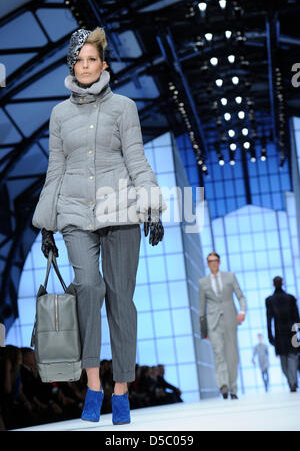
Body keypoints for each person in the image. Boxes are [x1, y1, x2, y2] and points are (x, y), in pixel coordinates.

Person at [31, 27, 167, 425]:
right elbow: (55, 169)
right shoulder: (59, 115)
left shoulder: (124, 108)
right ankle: (93, 383)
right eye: (80, 60)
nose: (86, 66)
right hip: (74, 212)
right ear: (72, 65)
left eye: (93, 60)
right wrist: (46, 223)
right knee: (87, 286)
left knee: (120, 298)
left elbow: (137, 160)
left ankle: (121, 388)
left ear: (104, 65)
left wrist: (152, 207)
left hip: (120, 209)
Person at [198, 252, 247, 400]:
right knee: (219, 354)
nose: (213, 263)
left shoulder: (230, 276)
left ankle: (233, 388)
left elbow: (240, 295)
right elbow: (201, 307)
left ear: (219, 262)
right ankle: (223, 385)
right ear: (207, 263)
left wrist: (242, 311)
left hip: (231, 320)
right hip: (213, 324)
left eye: (215, 260)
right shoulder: (203, 282)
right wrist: (203, 330)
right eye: (210, 261)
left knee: (232, 356)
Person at [265, 276, 300, 392]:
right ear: (283, 283)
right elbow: (297, 318)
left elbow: (269, 319)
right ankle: (293, 381)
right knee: (292, 357)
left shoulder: (270, 300)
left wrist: (270, 336)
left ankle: (291, 382)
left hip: (279, 332)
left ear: (273, 285)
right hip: (292, 331)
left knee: (284, 360)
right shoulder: (290, 298)